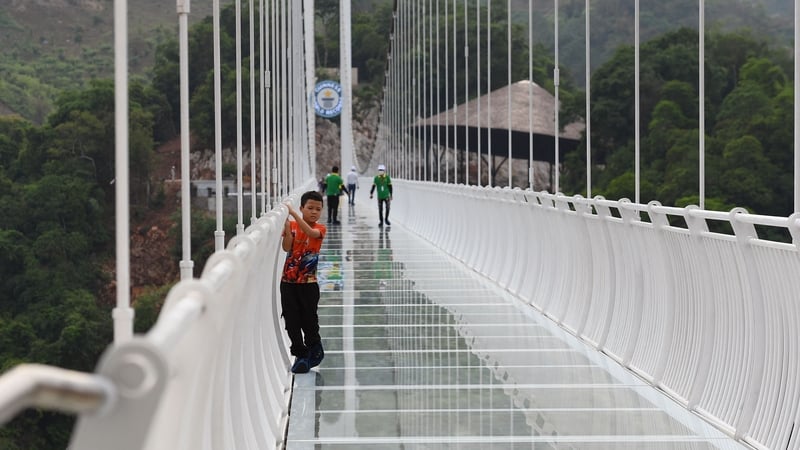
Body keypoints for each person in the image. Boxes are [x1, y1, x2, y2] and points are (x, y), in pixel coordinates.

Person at [281, 191, 327, 374]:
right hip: (288, 282)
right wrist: (287, 227)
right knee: (291, 319)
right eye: (310, 208)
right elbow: (286, 247)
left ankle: (315, 347)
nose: (314, 212)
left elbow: (310, 232)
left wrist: (293, 215)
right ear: (302, 208)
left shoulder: (321, 229)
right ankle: (300, 354)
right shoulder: (292, 226)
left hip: (309, 284)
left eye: (318, 209)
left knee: (309, 319)